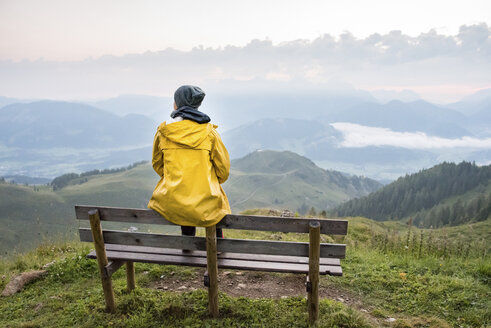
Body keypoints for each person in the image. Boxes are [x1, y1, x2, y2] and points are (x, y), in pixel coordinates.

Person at [147, 85, 231, 240]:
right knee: (214, 202)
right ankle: (218, 246)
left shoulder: (163, 132)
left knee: (183, 198)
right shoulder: (210, 133)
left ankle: (188, 247)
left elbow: (157, 163)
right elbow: (223, 170)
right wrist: (210, 181)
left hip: (174, 199)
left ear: (176, 104)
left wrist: (174, 178)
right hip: (207, 199)